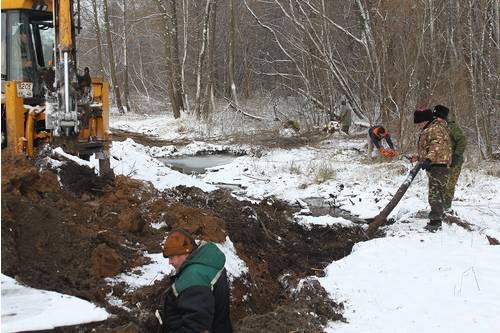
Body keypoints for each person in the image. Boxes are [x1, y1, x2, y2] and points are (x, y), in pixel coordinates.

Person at [157, 229, 232, 333]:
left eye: (172, 257)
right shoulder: (205, 264)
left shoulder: (194, 278)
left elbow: (196, 326)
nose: (170, 262)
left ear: (185, 252)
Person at [413, 108, 452, 232]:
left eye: (419, 124)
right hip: (436, 164)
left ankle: (435, 222)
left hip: (438, 165)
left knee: (435, 195)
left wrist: (429, 160)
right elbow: (430, 148)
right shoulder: (431, 128)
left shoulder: (434, 129)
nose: (419, 126)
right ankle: (437, 216)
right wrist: (419, 158)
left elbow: (437, 146)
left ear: (425, 121)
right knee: (436, 193)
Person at [433, 105, 467, 212]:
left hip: (454, 162)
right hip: (441, 162)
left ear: (442, 117)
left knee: (449, 185)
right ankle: (438, 208)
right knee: (439, 185)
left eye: (437, 116)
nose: (435, 119)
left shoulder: (452, 127)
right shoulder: (435, 127)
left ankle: (446, 208)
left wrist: (456, 156)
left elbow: (462, 140)